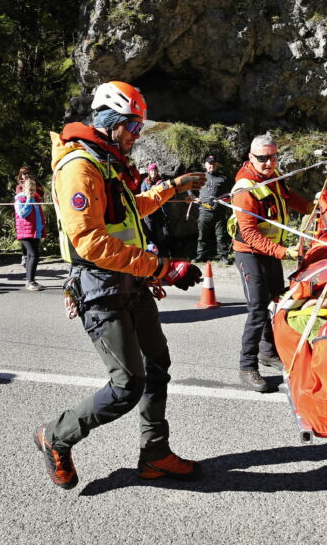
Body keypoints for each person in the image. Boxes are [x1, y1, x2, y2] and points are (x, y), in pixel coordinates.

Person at [34, 80, 206, 490]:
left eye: (139, 126)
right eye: (133, 126)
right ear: (111, 121)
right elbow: (90, 242)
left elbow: (129, 210)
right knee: (127, 386)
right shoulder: (79, 167)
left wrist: (173, 187)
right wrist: (162, 268)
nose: (137, 134)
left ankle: (155, 453)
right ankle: (55, 436)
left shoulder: (105, 161)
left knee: (157, 365)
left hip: (131, 282)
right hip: (100, 287)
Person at [231, 135, 312, 392]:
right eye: (263, 158)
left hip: (271, 252)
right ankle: (247, 366)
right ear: (251, 157)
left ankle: (269, 352)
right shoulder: (244, 190)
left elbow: (289, 198)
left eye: (273, 157)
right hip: (250, 254)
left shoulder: (272, 178)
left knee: (277, 303)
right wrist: (284, 252)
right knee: (257, 309)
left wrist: (312, 208)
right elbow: (250, 234)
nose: (269, 163)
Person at [195, 155, 232, 264]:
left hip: (219, 211)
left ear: (216, 165)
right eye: (210, 163)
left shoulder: (223, 178)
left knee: (221, 235)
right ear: (205, 165)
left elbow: (230, 193)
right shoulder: (200, 177)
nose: (212, 165)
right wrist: (193, 197)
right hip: (204, 210)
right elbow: (190, 188)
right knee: (202, 235)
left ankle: (223, 256)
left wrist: (227, 199)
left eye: (214, 164)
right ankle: (201, 255)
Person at [14, 176, 45, 290]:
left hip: (35, 231)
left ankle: (30, 280)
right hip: (25, 232)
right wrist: (28, 199)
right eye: (30, 189)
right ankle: (30, 281)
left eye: (34, 189)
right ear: (24, 189)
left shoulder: (36, 200)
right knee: (34, 254)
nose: (32, 192)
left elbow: (39, 215)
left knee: (30, 255)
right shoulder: (19, 200)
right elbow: (23, 214)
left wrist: (42, 228)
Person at [139, 163, 170, 256]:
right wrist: (151, 191)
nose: (153, 172)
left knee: (166, 233)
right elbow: (143, 195)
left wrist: (157, 189)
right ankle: (154, 254)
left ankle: (166, 253)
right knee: (151, 234)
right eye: (152, 171)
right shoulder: (144, 183)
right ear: (149, 172)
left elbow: (166, 191)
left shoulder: (162, 182)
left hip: (160, 210)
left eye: (155, 170)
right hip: (149, 212)